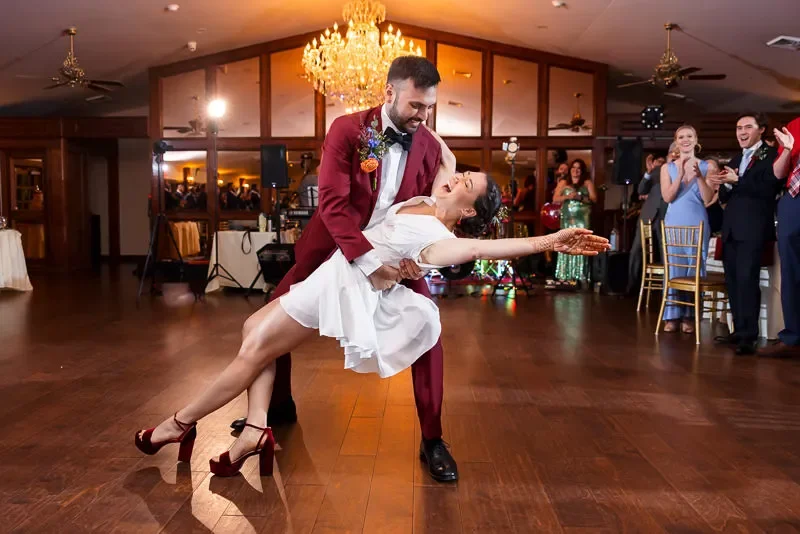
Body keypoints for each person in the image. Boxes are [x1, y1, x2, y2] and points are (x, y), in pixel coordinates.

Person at [134, 171, 609, 479]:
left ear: (467, 211)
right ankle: (256, 428)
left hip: (341, 292)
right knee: (254, 334)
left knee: (255, 345)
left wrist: (550, 240)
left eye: (467, 183)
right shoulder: (423, 199)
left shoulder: (441, 240)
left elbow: (483, 250)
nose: (458, 174)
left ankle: (179, 424)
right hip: (335, 274)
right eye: (464, 171)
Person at [232, 56, 460, 481]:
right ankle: (278, 408)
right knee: (272, 313)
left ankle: (433, 439)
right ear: (389, 93)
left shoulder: (426, 145)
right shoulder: (348, 129)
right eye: (415, 106)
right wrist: (367, 263)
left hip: (394, 256)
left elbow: (428, 211)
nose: (422, 116)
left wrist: (415, 255)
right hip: (331, 247)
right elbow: (333, 206)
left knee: (430, 327)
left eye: (429, 107)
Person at [708, 113, 779, 355]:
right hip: (731, 229)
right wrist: (724, 184)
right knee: (734, 282)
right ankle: (738, 330)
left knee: (748, 282)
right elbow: (727, 198)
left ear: (761, 130)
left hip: (753, 228)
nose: (741, 131)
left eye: (747, 127)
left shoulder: (770, 156)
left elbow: (768, 188)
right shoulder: (737, 157)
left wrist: (737, 180)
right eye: (738, 127)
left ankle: (749, 336)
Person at [659, 125, 716, 334]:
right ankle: (672, 316)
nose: (685, 140)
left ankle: (689, 316)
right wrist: (681, 172)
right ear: (676, 140)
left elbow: (708, 198)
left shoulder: (706, 166)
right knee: (674, 269)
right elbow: (667, 197)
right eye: (681, 137)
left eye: (689, 136)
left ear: (696, 140)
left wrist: (699, 176)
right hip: (674, 223)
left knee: (695, 270)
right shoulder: (667, 168)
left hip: (697, 223)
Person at [759, 118, 800, 358]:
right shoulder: (794, 125)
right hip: (793, 201)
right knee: (792, 272)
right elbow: (778, 173)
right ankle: (793, 336)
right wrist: (786, 149)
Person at [627, 147, 672, 294]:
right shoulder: (653, 173)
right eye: (658, 162)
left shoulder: (672, 171)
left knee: (665, 251)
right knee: (637, 250)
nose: (661, 164)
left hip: (666, 217)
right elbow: (640, 190)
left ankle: (667, 288)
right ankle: (632, 286)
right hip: (647, 216)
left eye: (662, 162)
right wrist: (648, 172)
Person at [553, 159, 597, 284]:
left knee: (581, 243)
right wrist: (568, 196)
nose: (575, 171)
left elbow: (594, 200)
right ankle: (564, 274)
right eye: (573, 168)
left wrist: (580, 197)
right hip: (567, 218)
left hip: (583, 218)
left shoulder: (587, 183)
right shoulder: (563, 183)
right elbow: (555, 198)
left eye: (578, 168)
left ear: (582, 171)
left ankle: (581, 275)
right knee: (566, 242)